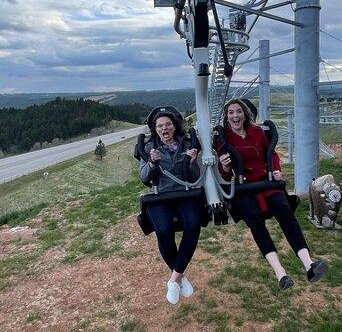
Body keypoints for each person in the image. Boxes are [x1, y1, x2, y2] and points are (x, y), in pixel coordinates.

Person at [216, 99, 327, 291]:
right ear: (227, 117)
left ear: (245, 114)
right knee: (255, 221)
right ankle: (280, 272)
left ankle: (309, 264)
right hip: (245, 188)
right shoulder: (223, 138)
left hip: (266, 182)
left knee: (284, 211)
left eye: (239, 112)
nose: (235, 116)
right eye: (231, 113)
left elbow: (272, 154)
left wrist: (276, 170)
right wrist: (224, 166)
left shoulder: (257, 132)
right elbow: (224, 173)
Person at [139, 110, 202, 304]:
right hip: (161, 196)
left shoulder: (186, 145)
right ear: (155, 129)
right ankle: (180, 277)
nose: (164, 128)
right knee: (164, 229)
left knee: (193, 223)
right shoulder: (149, 148)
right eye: (160, 126)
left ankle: (174, 279)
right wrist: (151, 163)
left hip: (183, 193)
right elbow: (143, 178)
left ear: (174, 126)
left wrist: (191, 162)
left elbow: (194, 176)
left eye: (167, 124)